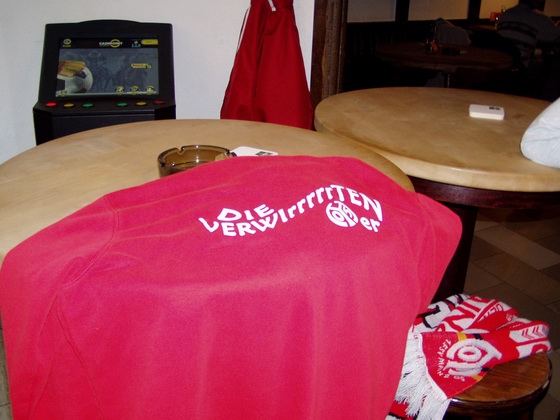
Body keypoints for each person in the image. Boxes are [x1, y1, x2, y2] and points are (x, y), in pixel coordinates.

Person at [497, 0, 560, 67]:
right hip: (518, 66)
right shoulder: (538, 18)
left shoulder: (505, 14)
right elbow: (556, 35)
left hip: (499, 64)